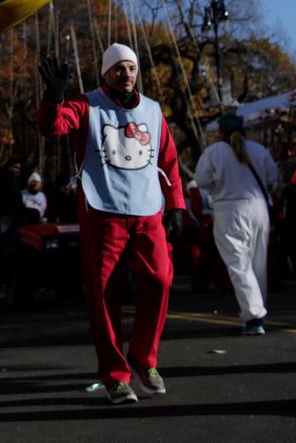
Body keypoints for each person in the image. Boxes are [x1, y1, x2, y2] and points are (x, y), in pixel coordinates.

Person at [38, 42, 185, 406]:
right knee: (104, 293)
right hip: (103, 212)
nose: (126, 74)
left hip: (148, 211)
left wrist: (177, 206)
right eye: (118, 68)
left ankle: (143, 358)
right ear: (105, 73)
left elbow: (168, 160)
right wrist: (53, 97)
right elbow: (52, 127)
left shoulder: (153, 110)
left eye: (131, 68)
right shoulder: (86, 104)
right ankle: (115, 375)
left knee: (160, 279)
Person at [193, 112, 279, 334]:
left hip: (229, 209)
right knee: (258, 262)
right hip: (258, 207)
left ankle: (254, 316)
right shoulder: (259, 150)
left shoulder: (213, 152)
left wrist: (220, 183)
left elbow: (201, 180)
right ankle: (257, 308)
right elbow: (273, 178)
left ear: (221, 132)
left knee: (238, 263)